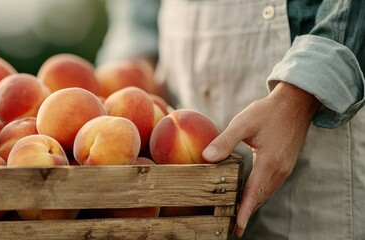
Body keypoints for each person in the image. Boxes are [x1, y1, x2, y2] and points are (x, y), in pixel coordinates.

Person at [97, 0, 365, 239]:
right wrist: (135, 57)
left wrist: (297, 100)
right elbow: (137, 18)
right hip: (182, 90)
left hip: (309, 100)